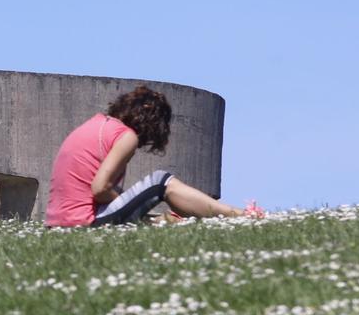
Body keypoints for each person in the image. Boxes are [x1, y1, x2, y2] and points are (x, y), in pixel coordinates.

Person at [45, 85, 263, 228]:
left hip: (58, 223)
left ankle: (166, 221)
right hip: (85, 222)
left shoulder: (94, 125)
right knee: (161, 181)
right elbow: (100, 189)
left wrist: (143, 215)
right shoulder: (125, 135)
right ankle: (237, 215)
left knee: (145, 205)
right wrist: (133, 206)